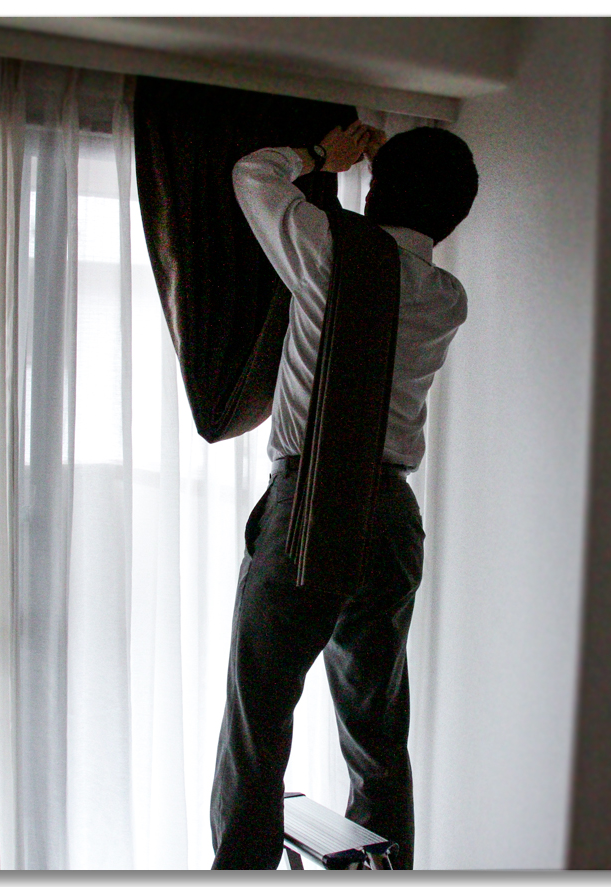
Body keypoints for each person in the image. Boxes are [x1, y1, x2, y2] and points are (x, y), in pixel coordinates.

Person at [209, 121, 479, 870]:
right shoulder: (447, 297)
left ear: (378, 187)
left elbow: (252, 175)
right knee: (377, 732)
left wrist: (322, 158)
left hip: (313, 502)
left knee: (259, 723)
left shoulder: (333, 253)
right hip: (392, 514)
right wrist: (384, 178)